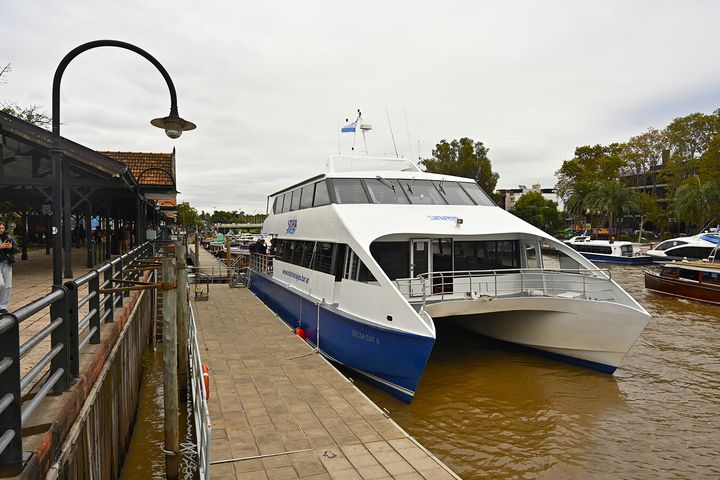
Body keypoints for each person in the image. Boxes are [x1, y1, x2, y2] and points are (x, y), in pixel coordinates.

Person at [0, 221, 18, 314]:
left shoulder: (8, 237)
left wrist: (11, 247)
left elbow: (16, 249)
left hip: (7, 262)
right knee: (1, 284)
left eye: (2, 228)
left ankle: (3, 306)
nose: (1, 230)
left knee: (7, 286)